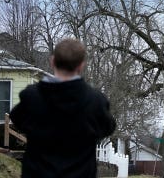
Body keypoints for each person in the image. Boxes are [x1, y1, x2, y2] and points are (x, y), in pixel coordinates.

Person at [10, 38, 116, 178]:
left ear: (52, 61)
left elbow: (17, 119)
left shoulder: (31, 98)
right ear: (81, 66)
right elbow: (108, 127)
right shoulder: (96, 101)